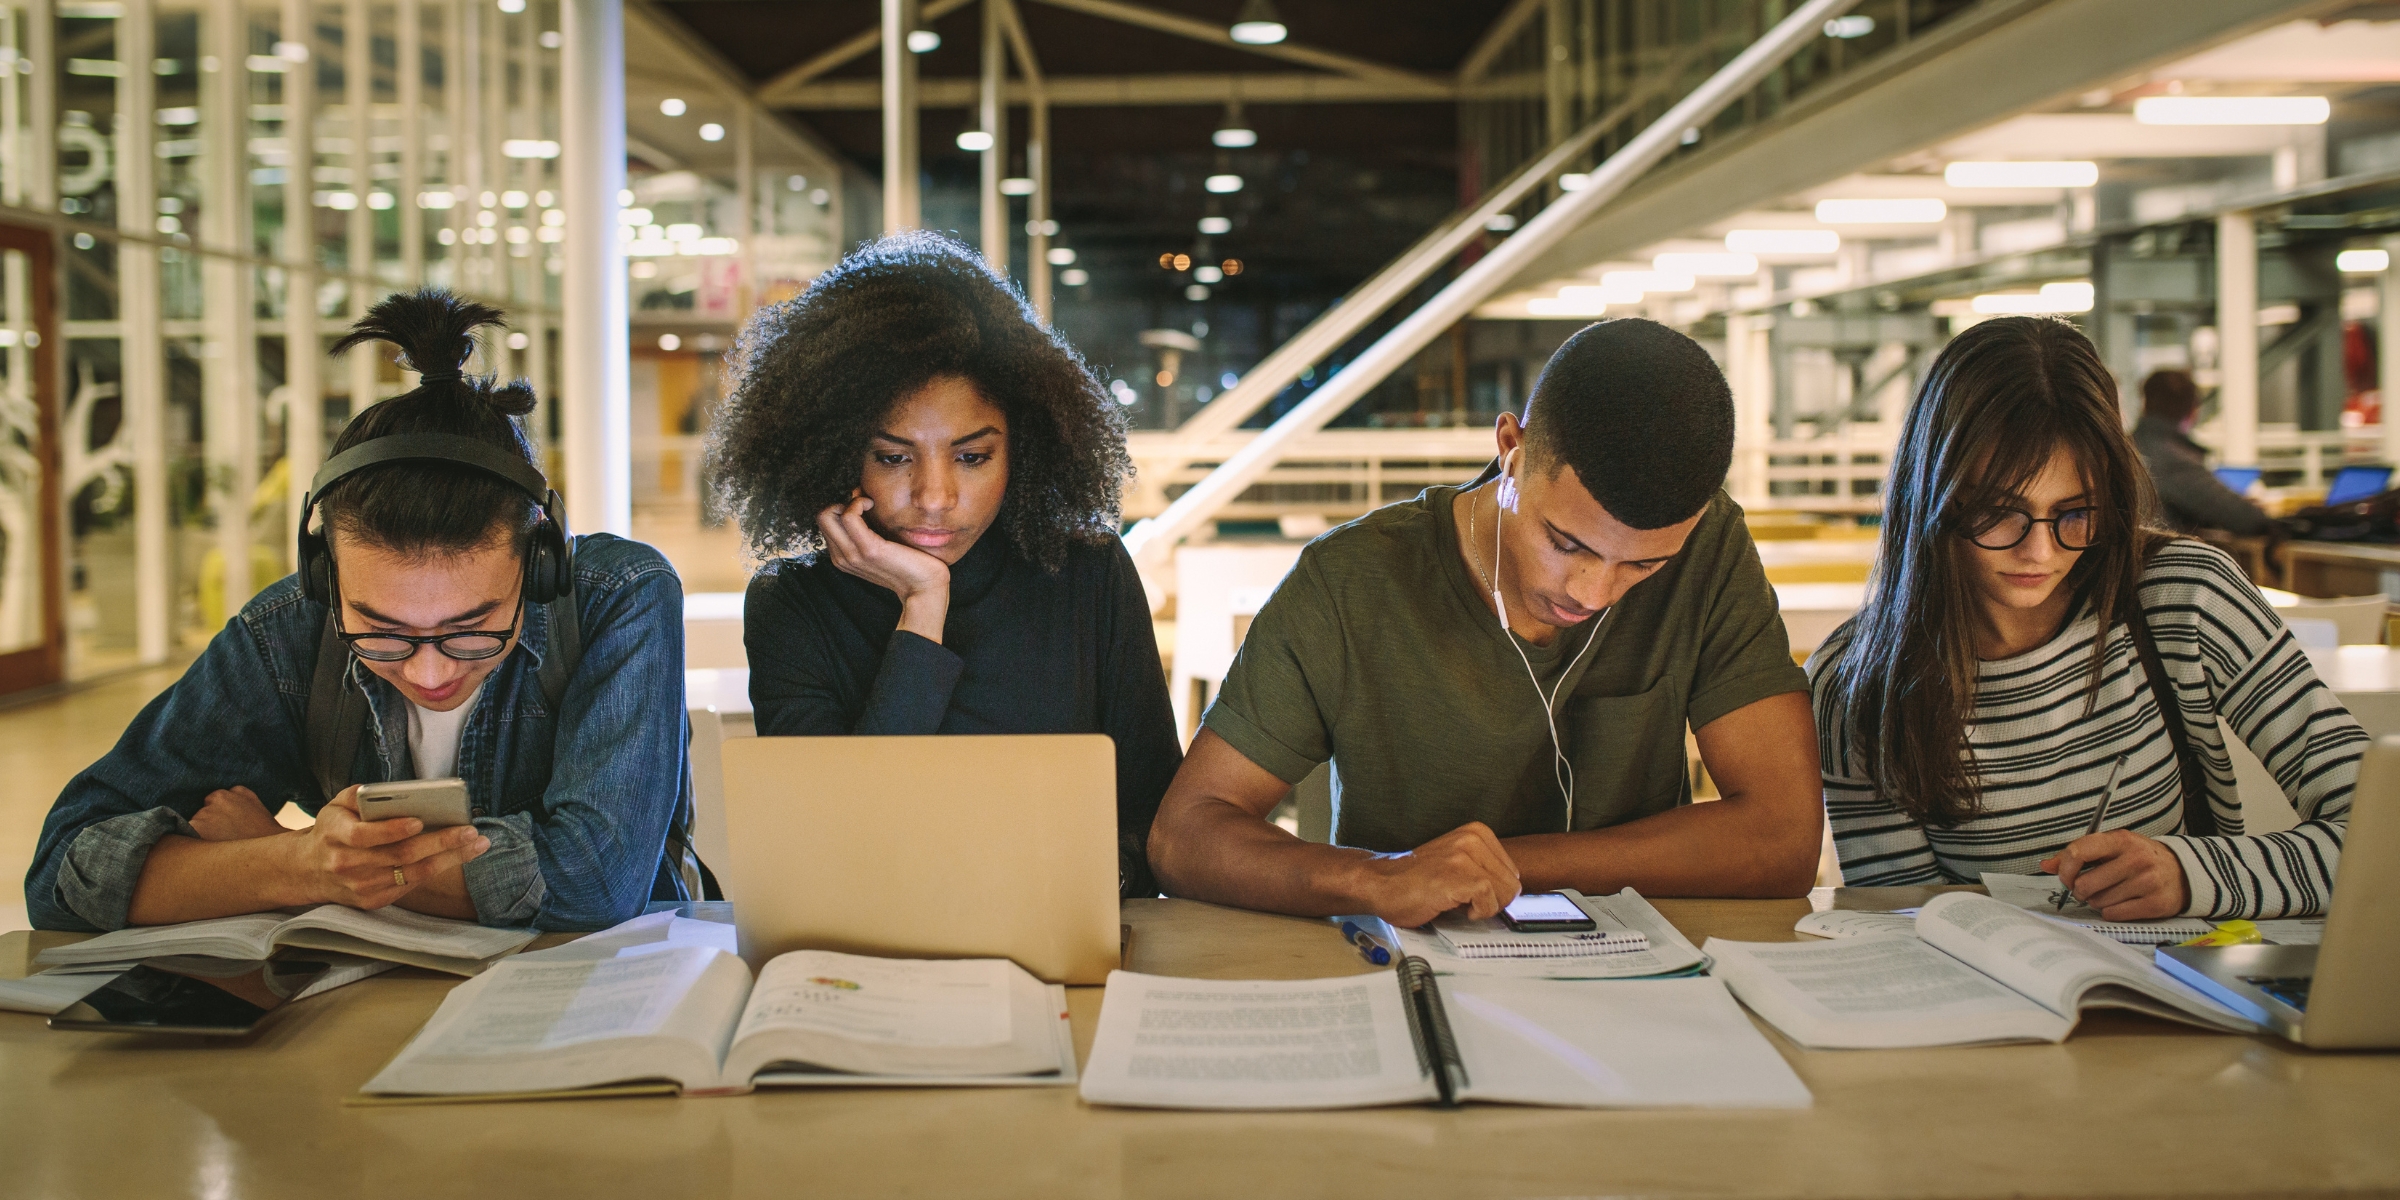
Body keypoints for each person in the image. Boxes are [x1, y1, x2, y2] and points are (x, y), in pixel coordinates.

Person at [25, 290, 695, 931]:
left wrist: (285, 856)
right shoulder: (288, 629)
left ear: (540, 562)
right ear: (323, 576)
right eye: (381, 633)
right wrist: (297, 864)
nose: (430, 675)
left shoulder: (617, 598)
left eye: (472, 631)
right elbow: (64, 871)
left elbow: (596, 882)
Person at [1145, 318, 1823, 928]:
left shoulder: (1711, 550)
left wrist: (1505, 867)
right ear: (1511, 449)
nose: (1594, 592)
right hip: (1413, 975)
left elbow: (1784, 839)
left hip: (1641, 984)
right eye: (1566, 543)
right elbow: (1185, 835)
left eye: (1642, 567)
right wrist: (1379, 877)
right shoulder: (1351, 582)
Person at [1810, 317, 2356, 920]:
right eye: (1998, 513)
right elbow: (1903, 922)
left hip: (2192, 997)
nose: (2040, 552)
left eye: (2076, 513)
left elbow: (2380, 833)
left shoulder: (2186, 598)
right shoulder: (1857, 682)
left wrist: (2193, 874)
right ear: (1932, 498)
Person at [709, 231, 1179, 897]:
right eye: (895, 457)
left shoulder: (1085, 573)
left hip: (1059, 939)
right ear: (838, 453)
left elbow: (1157, 821)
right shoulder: (792, 605)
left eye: (972, 456)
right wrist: (923, 606)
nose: (935, 498)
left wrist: (1082, 882)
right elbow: (838, 845)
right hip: (871, 956)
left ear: (1024, 448)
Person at [2131, 368, 2271, 536]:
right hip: (2160, 558)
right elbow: (2243, 517)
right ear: (2192, 411)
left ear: (2144, 404)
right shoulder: (2173, 460)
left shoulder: (2127, 446)